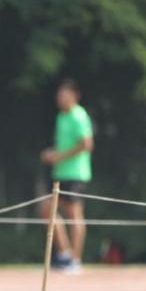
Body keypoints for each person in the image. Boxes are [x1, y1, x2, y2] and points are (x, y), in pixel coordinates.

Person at [40, 79, 94, 273]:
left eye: (63, 95)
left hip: (75, 173)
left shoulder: (79, 116)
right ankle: (65, 253)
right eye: (58, 95)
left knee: (74, 215)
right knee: (46, 210)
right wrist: (51, 153)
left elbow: (86, 144)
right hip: (60, 173)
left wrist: (59, 156)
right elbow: (64, 145)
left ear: (74, 95)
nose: (59, 98)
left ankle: (75, 261)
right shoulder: (61, 117)